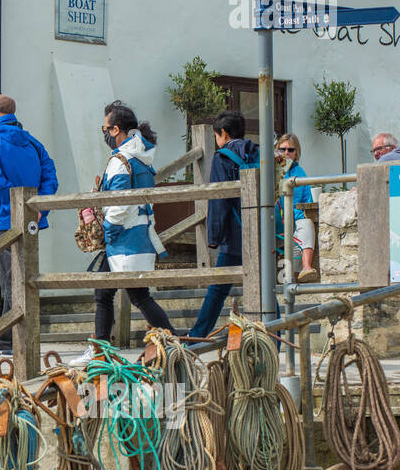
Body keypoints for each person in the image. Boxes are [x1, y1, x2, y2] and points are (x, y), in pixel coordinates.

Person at [0, 94, 58, 355]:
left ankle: (14, 342)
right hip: (31, 221)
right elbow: (51, 178)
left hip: (2, 219)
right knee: (16, 277)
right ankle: (3, 337)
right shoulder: (34, 143)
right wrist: (37, 208)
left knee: (11, 280)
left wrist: (17, 205)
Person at [92, 101, 174, 346]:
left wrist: (108, 231)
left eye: (104, 128)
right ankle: (100, 346)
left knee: (129, 296)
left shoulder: (120, 160)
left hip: (122, 237)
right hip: (140, 234)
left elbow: (119, 204)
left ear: (116, 130)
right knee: (114, 293)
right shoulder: (144, 159)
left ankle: (101, 348)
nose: (104, 133)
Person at [189, 110, 258, 339]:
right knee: (262, 286)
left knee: (218, 289)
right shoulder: (256, 152)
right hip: (258, 229)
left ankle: (197, 336)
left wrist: (214, 237)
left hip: (234, 234)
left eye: (216, 135)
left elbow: (218, 200)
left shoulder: (223, 157)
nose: (216, 140)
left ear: (224, 133)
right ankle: (273, 338)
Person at [274, 133, 318, 283]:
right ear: (276, 150)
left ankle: (306, 268)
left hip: (295, 217)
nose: (286, 153)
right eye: (282, 149)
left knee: (306, 224)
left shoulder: (300, 173)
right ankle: (290, 277)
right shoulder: (270, 170)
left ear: (296, 153)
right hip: (275, 218)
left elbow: (307, 200)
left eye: (290, 150)